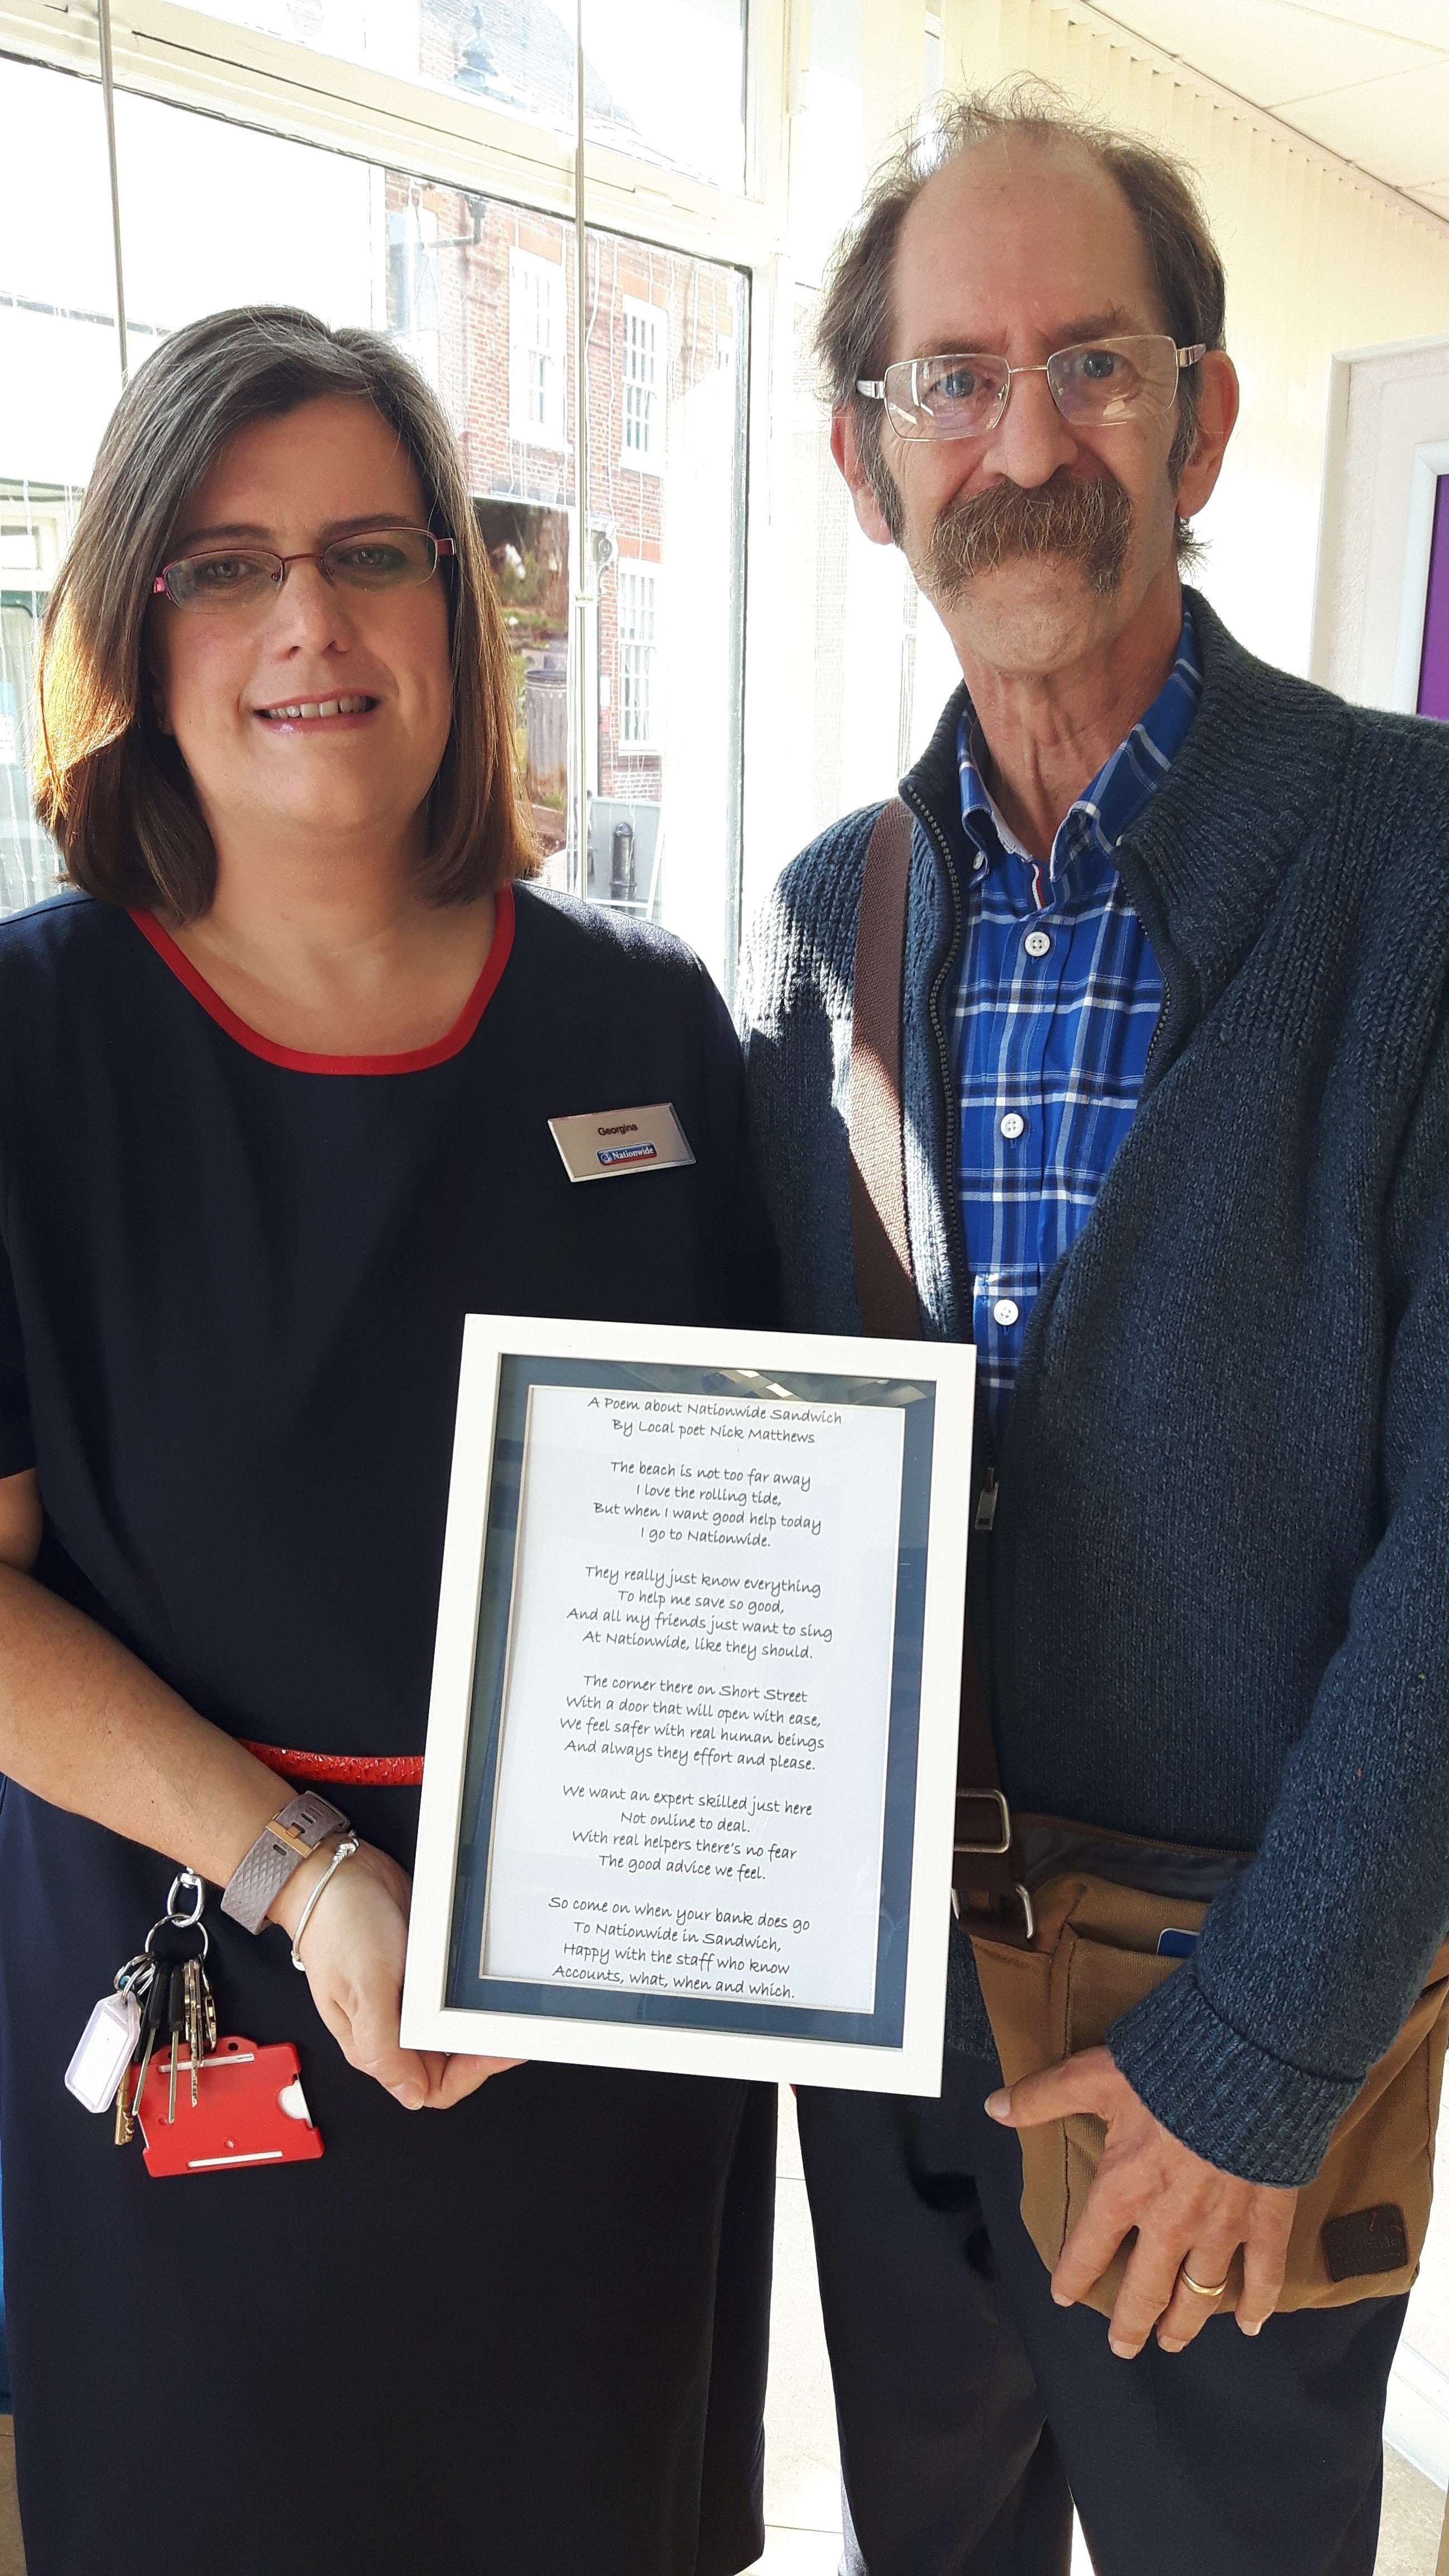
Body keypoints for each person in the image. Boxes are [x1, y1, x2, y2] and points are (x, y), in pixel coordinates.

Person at [740, 82, 1449, 2576]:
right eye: (952, 380)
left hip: (1243, 2009)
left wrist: (1269, 2052)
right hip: (884, 2004)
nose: (1021, 441)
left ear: (1207, 416)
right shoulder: (834, 913)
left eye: (1094, 365)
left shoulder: (1420, 871)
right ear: (864, 457)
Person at [0, 305, 776, 2576]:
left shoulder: (648, 1024)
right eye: (227, 566)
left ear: (465, 600)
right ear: (133, 624)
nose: (311, 622)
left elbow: (765, 1514)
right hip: (228, 2023)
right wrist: (311, 1880)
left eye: (373, 551)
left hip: (603, 2063)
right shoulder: (32, 1051)